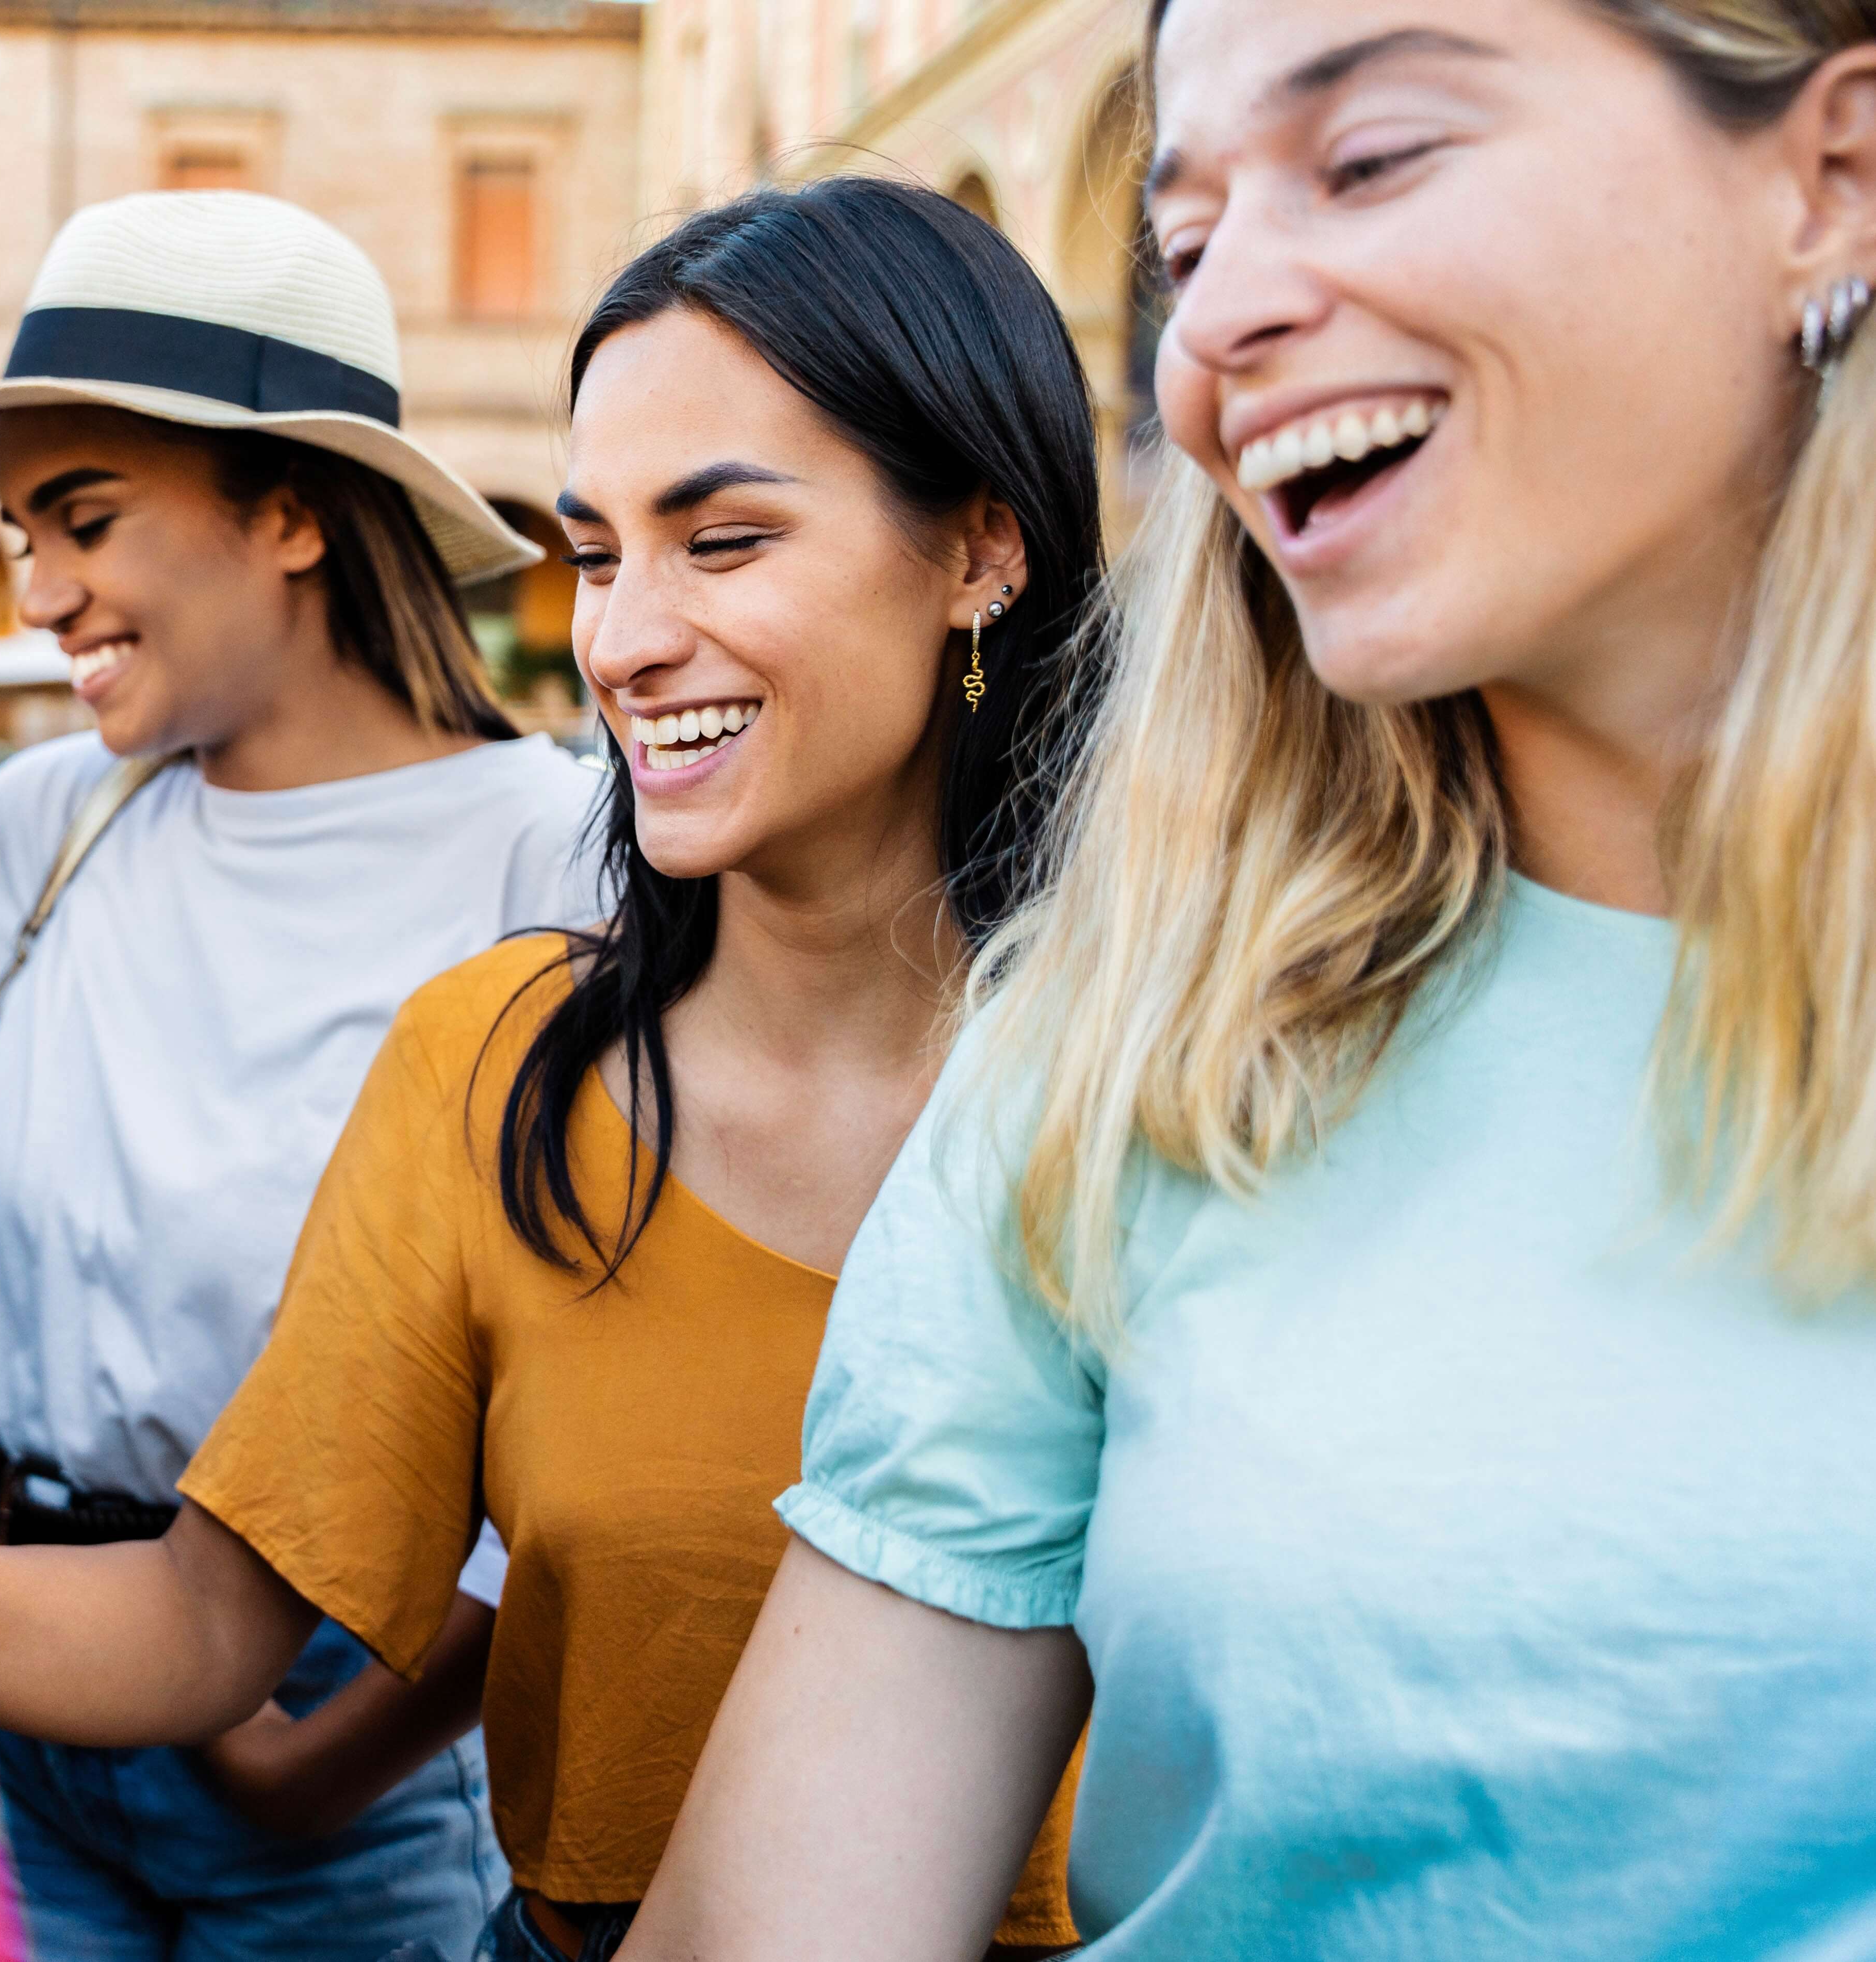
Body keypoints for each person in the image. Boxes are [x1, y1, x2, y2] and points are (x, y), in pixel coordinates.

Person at [623, 4, 1876, 1958]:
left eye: (1370, 159)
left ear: (1831, 175)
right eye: (1183, 249)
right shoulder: (1123, 1062)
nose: (1210, 333)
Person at [0, 179, 1105, 1962]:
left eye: (719, 542)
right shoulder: (491, 1066)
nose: (622, 639)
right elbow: (202, 1622)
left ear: (981, 547)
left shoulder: (1191, 1096)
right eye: (595, 550)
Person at [0, 190, 602, 1962]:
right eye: (20, 533)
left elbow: (581, 1393)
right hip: (2, 1666)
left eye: (82, 520)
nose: (35, 592)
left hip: (336, 1729)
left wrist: (340, 1755)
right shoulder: (48, 829)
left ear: (292, 513)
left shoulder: (542, 860)